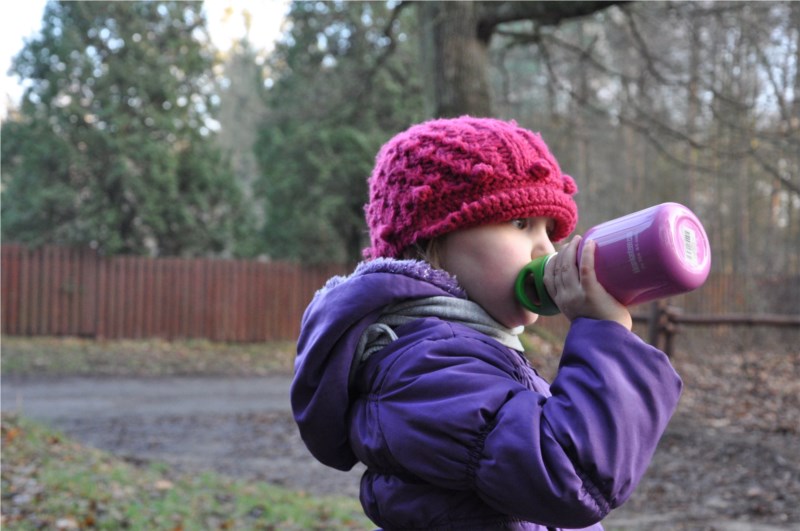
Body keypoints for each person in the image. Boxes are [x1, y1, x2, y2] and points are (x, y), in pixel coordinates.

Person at [291, 116, 682, 530]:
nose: (545, 249)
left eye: (551, 231)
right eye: (520, 223)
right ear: (433, 243)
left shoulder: (470, 352)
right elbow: (567, 474)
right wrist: (607, 337)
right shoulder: (423, 367)